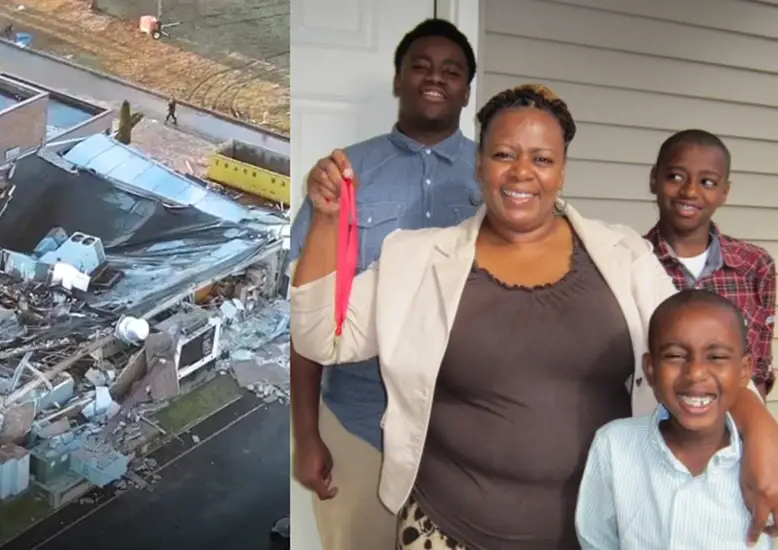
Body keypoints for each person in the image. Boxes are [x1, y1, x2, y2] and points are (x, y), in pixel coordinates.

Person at [290, 83, 778, 549]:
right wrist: (328, 221)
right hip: (446, 531)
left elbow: (699, 351)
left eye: (542, 159)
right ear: (478, 165)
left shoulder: (622, 253)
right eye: (504, 154)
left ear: (561, 172)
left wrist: (760, 428)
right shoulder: (416, 259)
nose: (523, 172)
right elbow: (319, 338)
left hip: (599, 533)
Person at [289, 18, 482, 550]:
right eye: (419, 65)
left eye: (451, 70)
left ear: (467, 88)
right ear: (398, 80)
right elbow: (308, 314)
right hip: (358, 425)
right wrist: (306, 436)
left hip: (460, 439)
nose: (434, 77)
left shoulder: (493, 180)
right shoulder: (344, 174)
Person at [576, 290, 769, 549]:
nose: (696, 373)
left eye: (717, 357)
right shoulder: (614, 446)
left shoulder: (765, 461)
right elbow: (596, 541)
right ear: (651, 369)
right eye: (676, 356)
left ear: (744, 370)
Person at [644, 130, 776, 399]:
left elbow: (759, 367)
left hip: (736, 426)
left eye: (707, 182)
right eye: (676, 177)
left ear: (724, 192)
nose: (690, 191)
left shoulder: (755, 265)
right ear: (653, 179)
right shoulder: (633, 262)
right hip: (653, 427)